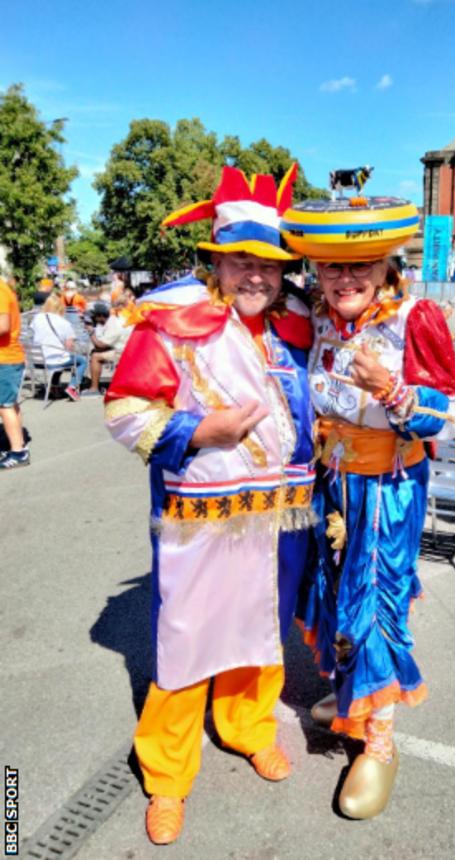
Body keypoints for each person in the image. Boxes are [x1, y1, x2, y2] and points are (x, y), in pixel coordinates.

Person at [105, 164, 314, 845]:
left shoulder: (299, 323)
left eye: (270, 263)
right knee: (187, 638)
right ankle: (166, 774)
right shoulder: (171, 320)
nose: (257, 275)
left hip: (282, 511)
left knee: (263, 628)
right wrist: (199, 431)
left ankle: (249, 728)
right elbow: (126, 412)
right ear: (217, 260)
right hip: (200, 515)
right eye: (241, 260)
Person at [281, 194, 455, 819]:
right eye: (333, 268)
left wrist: (390, 389)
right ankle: (353, 691)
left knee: (374, 604)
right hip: (331, 483)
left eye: (363, 266)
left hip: (387, 490)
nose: (347, 279)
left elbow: (450, 417)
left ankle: (380, 741)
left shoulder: (417, 318)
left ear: (388, 265)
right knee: (331, 594)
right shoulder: (318, 318)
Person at [31, 294, 87, 401]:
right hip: (54, 360)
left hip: (38, 360)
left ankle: (54, 387)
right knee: (81, 361)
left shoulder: (37, 318)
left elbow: (34, 333)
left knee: (59, 355)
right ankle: (72, 387)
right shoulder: (64, 323)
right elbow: (69, 346)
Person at [0, 278, 29, 469]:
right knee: (9, 404)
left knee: (4, 406)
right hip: (9, 357)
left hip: (5, 357)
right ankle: (17, 445)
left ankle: (18, 452)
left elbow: (3, 326)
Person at [83, 294, 134, 396]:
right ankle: (93, 383)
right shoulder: (117, 318)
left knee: (95, 356)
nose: (94, 320)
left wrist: (90, 332)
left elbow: (100, 345)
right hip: (127, 349)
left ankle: (94, 389)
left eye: (95, 317)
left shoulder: (113, 323)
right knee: (95, 352)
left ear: (101, 316)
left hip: (123, 353)